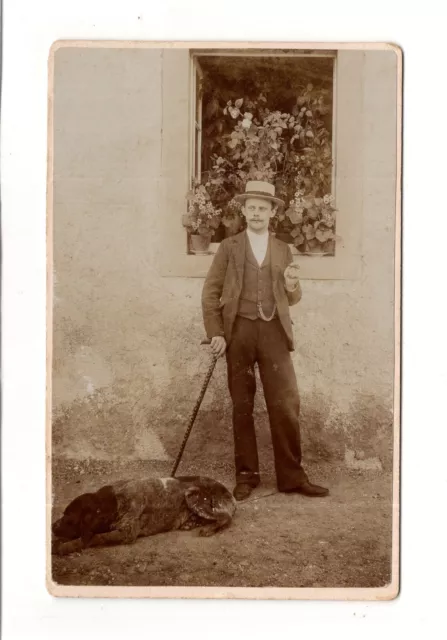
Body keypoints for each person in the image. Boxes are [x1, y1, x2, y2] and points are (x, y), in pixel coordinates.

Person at [201, 181, 329, 501]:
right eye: (251, 207)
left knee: (286, 403)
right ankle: (246, 476)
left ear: (273, 212)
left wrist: (291, 285)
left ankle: (291, 477)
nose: (256, 213)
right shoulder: (229, 247)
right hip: (239, 332)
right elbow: (210, 293)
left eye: (263, 208)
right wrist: (216, 332)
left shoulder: (283, 249)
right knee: (242, 405)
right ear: (243, 211)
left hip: (273, 332)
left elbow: (293, 297)